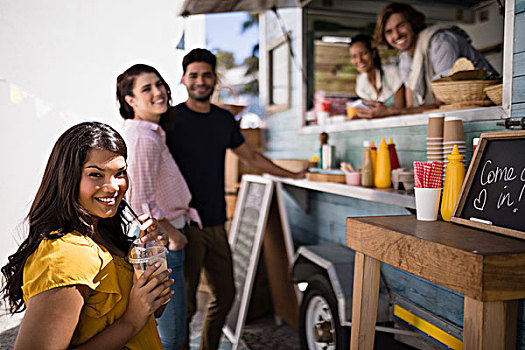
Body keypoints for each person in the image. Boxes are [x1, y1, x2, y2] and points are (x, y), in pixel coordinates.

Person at [163, 48, 307, 350]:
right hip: (185, 224)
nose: (200, 81)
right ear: (184, 79)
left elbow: (252, 156)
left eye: (206, 75)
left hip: (216, 222)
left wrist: (290, 174)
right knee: (185, 305)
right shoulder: (171, 120)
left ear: (215, 78)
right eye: (194, 75)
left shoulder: (223, 121)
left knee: (225, 294)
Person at [0, 121, 173, 349]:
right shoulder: (66, 255)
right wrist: (131, 321)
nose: (113, 186)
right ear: (69, 178)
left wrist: (147, 255)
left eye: (120, 173)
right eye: (96, 175)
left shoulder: (108, 235)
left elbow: (153, 311)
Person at [116, 63, 202, 349]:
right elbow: (139, 201)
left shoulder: (151, 133)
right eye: (146, 88)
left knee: (175, 329)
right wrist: (173, 236)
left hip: (168, 237)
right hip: (164, 242)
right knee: (172, 337)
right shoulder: (143, 138)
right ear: (130, 100)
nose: (159, 92)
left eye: (159, 84)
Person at [358, 2, 498, 118]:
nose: (396, 35)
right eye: (389, 32)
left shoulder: (440, 42)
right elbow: (411, 106)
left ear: (413, 23)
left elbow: (444, 102)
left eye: (401, 26)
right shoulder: (405, 58)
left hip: (488, 111)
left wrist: (390, 112)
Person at [349, 34, 405, 116]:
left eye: (363, 53)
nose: (359, 60)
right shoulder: (361, 81)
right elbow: (368, 110)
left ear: (373, 53)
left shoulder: (392, 72)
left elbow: (400, 108)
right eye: (354, 56)